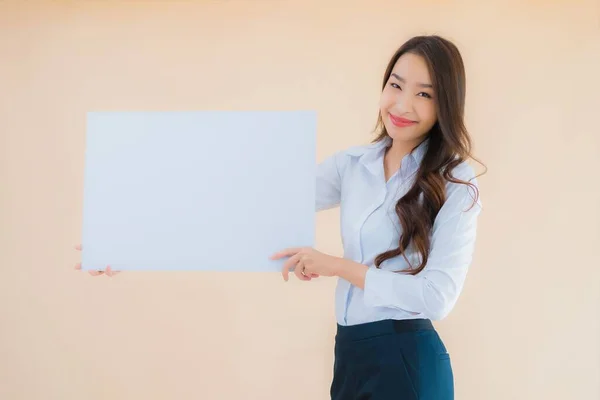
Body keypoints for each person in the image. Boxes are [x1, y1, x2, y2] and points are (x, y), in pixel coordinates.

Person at [75, 34, 483, 400]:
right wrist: (127, 242)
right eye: (396, 85)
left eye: (424, 94)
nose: (402, 104)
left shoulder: (455, 183)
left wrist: (337, 267)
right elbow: (247, 201)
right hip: (351, 354)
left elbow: (437, 297)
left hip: (408, 360)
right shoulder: (354, 165)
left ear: (445, 103)